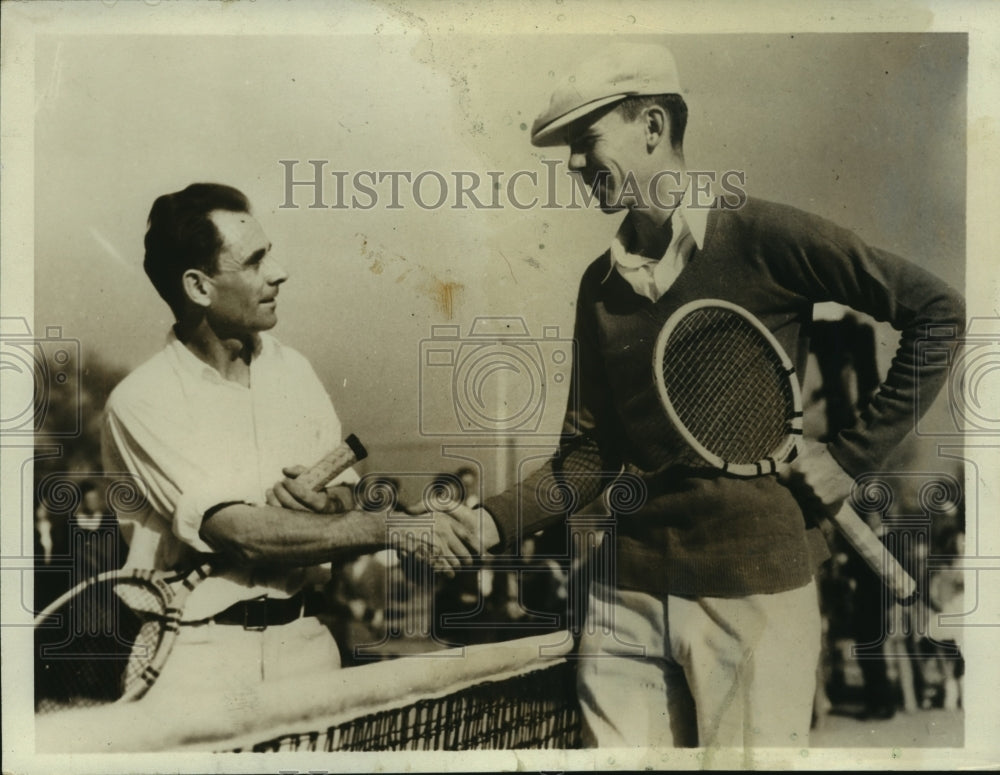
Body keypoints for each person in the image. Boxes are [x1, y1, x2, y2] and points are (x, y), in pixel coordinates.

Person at [440, 43, 965, 748]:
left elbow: (938, 312)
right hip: (620, 597)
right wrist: (491, 523)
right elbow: (588, 456)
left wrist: (851, 454)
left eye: (585, 140)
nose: (571, 164)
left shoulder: (767, 236)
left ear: (652, 127)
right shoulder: (598, 287)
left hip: (756, 591)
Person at [102, 183, 474, 700]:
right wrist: (386, 527)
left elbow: (347, 491)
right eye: (255, 261)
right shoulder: (141, 400)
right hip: (195, 662)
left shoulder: (293, 370)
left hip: (308, 646)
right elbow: (241, 533)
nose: (279, 272)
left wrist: (329, 502)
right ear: (198, 286)